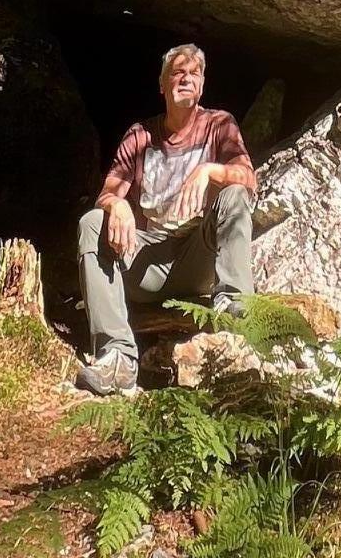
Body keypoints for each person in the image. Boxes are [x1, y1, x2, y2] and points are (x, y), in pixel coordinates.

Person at [75, 42, 257, 395]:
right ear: (162, 85)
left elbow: (249, 179)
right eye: (177, 73)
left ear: (202, 84)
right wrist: (117, 205)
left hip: (198, 258)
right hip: (147, 262)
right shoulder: (140, 135)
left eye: (194, 73)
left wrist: (211, 170)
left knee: (234, 194)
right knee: (92, 222)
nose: (186, 79)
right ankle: (116, 356)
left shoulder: (219, 124)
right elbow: (107, 192)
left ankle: (234, 308)